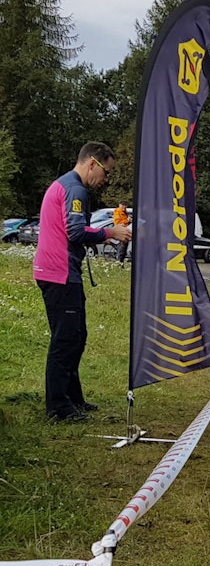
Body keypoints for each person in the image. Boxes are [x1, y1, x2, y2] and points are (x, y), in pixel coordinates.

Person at [33, 142, 132, 422]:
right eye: (106, 172)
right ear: (92, 163)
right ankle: (58, 408)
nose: (105, 180)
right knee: (66, 340)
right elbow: (75, 231)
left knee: (76, 337)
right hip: (60, 273)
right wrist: (110, 232)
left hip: (58, 272)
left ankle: (72, 398)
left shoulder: (65, 185)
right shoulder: (75, 189)